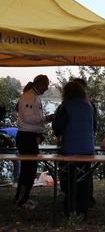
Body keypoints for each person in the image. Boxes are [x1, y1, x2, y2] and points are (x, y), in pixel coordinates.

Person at [52, 81, 97, 218]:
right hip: (88, 148)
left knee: (70, 179)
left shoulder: (65, 106)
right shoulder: (89, 106)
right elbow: (94, 126)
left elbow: (58, 126)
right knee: (84, 180)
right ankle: (83, 210)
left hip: (71, 149)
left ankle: (70, 209)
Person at [14, 75, 56, 210]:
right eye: (45, 85)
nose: (47, 88)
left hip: (31, 135)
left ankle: (25, 197)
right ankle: (20, 200)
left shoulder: (35, 96)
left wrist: (46, 120)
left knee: (31, 170)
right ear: (40, 84)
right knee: (27, 170)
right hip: (27, 136)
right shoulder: (29, 97)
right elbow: (28, 118)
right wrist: (47, 118)